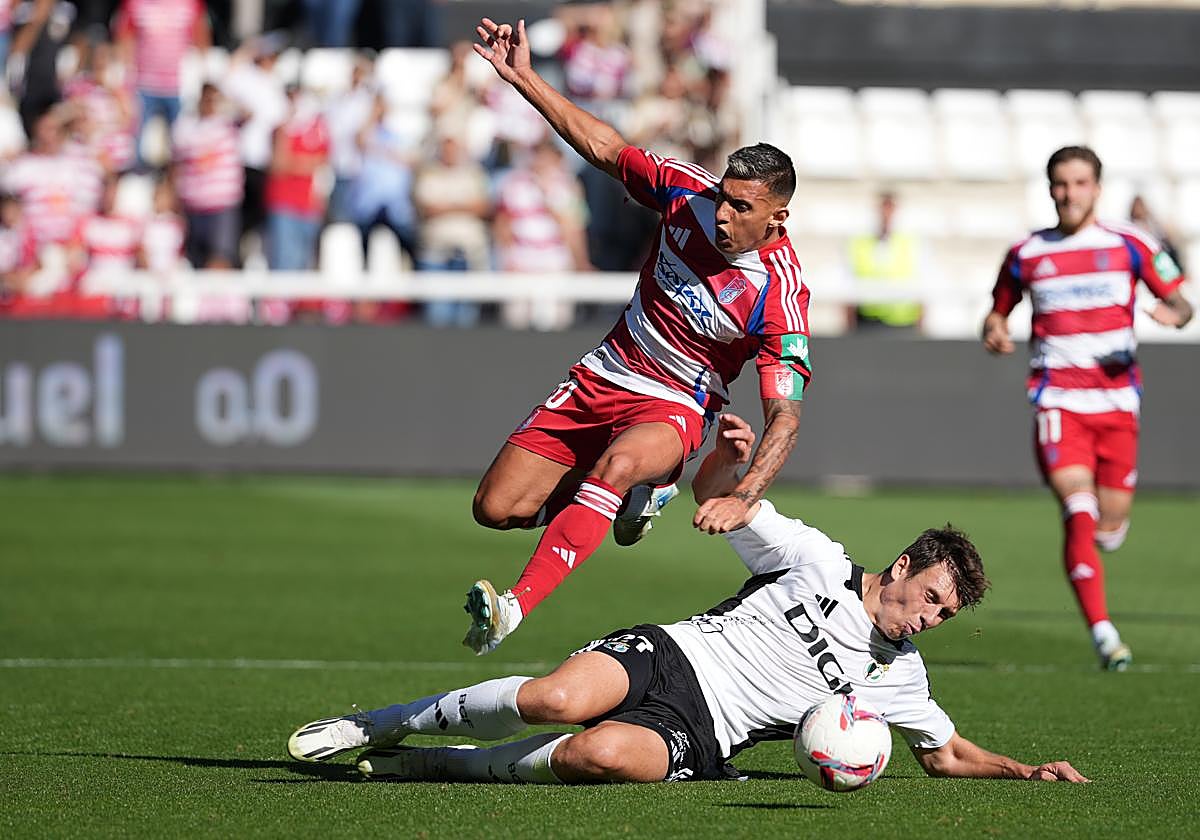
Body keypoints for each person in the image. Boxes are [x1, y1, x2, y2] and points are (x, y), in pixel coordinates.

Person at [287, 413, 1088, 786]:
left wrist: (1025, 772)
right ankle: (378, 724)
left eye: (944, 615)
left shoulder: (902, 679)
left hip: (707, 732)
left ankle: (426, 771)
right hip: (677, 652)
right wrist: (720, 472)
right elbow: (726, 500)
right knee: (556, 700)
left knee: (593, 755)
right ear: (907, 564)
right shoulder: (817, 560)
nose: (930, 618)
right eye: (934, 598)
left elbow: (944, 753)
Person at [462, 17, 812, 656]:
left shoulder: (779, 292)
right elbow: (604, 146)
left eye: (741, 207)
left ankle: (516, 606)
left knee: (618, 464)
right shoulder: (687, 194)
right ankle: (630, 495)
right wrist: (524, 79)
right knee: (496, 507)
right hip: (603, 372)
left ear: (777, 215)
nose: (723, 213)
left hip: (675, 404)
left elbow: (784, 415)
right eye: (724, 198)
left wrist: (744, 496)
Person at [982, 145, 1193, 671]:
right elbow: (998, 309)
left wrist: (1175, 313)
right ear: (1050, 188)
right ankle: (1105, 634)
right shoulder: (1027, 252)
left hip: (1118, 407)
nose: (1068, 193)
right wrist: (995, 328)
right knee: (1079, 508)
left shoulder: (1131, 243)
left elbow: (1183, 301)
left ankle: (1105, 537)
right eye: (1060, 184)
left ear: (1097, 188)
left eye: (1079, 183)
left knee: (1109, 526)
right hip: (1059, 403)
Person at [845, 191, 927, 331]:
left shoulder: (912, 244)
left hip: (903, 323)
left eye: (890, 209)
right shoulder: (859, 243)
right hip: (867, 323)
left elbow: (923, 288)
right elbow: (847, 285)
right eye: (883, 208)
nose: (886, 214)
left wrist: (920, 328)